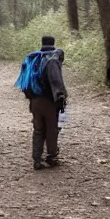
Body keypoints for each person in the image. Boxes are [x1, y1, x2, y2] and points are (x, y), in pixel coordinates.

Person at [18, 35, 67, 170]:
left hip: (34, 101)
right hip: (49, 101)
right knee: (52, 129)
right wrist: (61, 99)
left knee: (38, 130)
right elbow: (56, 81)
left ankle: (37, 160)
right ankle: (51, 157)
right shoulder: (52, 60)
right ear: (53, 44)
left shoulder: (34, 58)